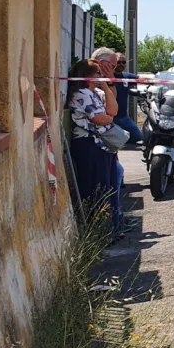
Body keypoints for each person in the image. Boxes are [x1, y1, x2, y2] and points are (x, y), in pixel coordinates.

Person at [66, 59, 118, 231]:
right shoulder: (80, 94)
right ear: (87, 76)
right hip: (89, 144)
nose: (100, 76)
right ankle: (98, 228)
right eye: (97, 74)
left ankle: (109, 226)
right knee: (95, 186)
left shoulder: (96, 92)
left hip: (102, 144)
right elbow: (99, 118)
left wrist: (105, 87)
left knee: (107, 185)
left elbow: (113, 110)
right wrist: (108, 119)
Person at [91, 47, 129, 237]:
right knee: (107, 182)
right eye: (112, 66)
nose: (114, 69)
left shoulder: (106, 80)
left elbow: (112, 108)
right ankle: (110, 224)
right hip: (95, 142)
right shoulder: (88, 81)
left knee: (117, 176)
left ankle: (116, 219)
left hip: (106, 142)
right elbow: (105, 116)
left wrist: (108, 83)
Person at [110, 53, 143, 148]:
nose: (121, 64)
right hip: (111, 118)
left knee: (138, 137)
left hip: (124, 117)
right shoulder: (107, 77)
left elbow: (141, 79)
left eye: (123, 62)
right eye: (118, 62)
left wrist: (159, 80)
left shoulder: (126, 76)